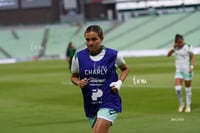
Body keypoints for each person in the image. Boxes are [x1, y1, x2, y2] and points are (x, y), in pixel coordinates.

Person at [71, 25, 129, 133]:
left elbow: (125, 69)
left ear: (101, 38)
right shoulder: (78, 57)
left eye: (94, 39)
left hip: (109, 101)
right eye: (87, 39)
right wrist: (78, 82)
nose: (90, 43)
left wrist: (119, 83)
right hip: (91, 103)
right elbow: (73, 77)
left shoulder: (113, 55)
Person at [167, 34, 195, 113]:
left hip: (187, 70)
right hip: (179, 71)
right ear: (175, 42)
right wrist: (173, 48)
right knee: (178, 89)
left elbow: (192, 57)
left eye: (181, 42)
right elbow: (168, 55)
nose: (180, 44)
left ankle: (188, 106)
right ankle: (181, 104)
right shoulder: (175, 48)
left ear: (183, 40)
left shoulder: (188, 47)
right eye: (178, 42)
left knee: (187, 89)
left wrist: (191, 67)